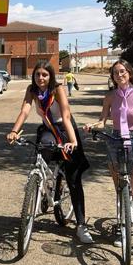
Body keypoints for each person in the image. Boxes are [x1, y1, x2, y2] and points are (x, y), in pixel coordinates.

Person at [6, 61, 94, 244]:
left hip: (66, 129)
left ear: (51, 76)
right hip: (48, 130)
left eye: (44, 75)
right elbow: (24, 111)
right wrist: (14, 131)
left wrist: (73, 141)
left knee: (73, 179)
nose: (41, 78)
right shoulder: (32, 90)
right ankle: (41, 186)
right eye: (38, 74)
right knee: (42, 152)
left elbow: (66, 115)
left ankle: (81, 226)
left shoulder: (58, 89)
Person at [84, 59, 133, 256]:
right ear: (113, 77)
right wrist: (93, 126)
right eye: (116, 73)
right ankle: (124, 229)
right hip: (115, 141)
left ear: (130, 73)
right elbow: (103, 121)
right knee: (121, 192)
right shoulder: (110, 96)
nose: (120, 75)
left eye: (123, 71)